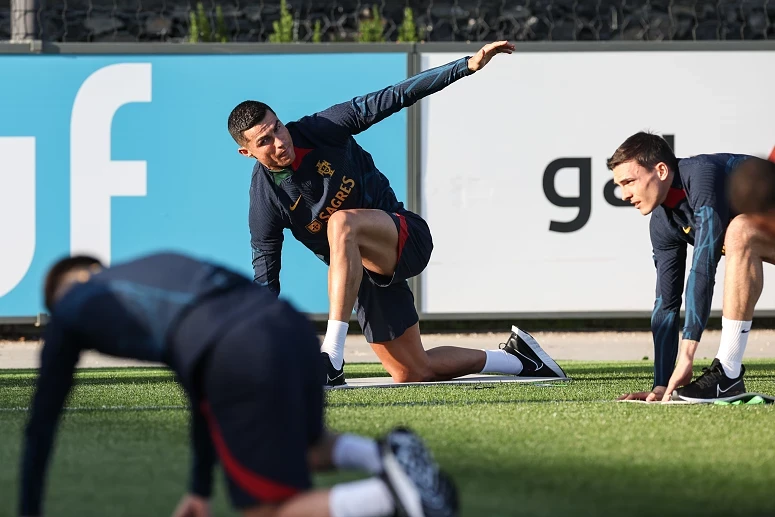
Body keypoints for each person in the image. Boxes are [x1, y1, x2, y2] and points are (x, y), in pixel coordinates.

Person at [227, 40, 567, 387]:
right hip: (364, 276)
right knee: (412, 371)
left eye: (277, 129)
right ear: (246, 152)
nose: (280, 142)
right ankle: (519, 359)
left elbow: (395, 95)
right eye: (264, 141)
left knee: (342, 222)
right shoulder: (265, 200)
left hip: (403, 237)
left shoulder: (322, 129)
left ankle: (331, 356)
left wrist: (466, 65)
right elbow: (266, 280)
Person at [18, 252, 459, 517]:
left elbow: (40, 428)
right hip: (288, 327)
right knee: (305, 445)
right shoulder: (154, 266)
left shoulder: (71, 307)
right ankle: (386, 454)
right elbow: (202, 395)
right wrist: (199, 488)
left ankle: (389, 496)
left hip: (237, 351)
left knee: (269, 511)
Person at [607, 131, 774, 402]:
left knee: (740, 231)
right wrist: (662, 384)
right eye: (619, 185)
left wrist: (686, 355)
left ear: (661, 170)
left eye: (629, 182)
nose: (624, 194)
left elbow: (703, 267)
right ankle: (729, 377)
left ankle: (728, 374)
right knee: (741, 234)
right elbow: (666, 303)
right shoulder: (662, 223)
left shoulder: (700, 176)